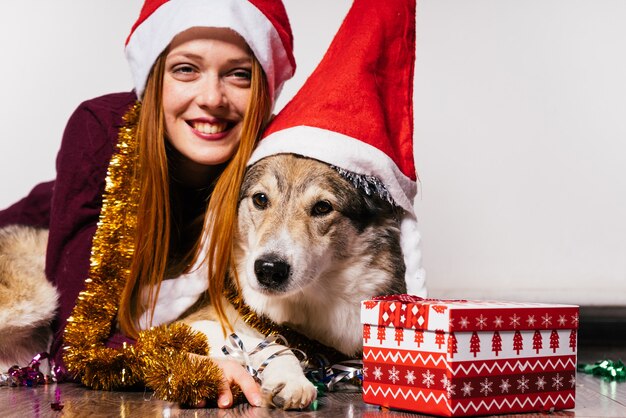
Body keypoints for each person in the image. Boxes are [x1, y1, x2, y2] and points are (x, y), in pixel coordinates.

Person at [0, 0, 295, 408]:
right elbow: (80, 336)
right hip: (17, 259)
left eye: (239, 74)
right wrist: (179, 363)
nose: (212, 97)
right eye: (186, 69)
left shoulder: (278, 160)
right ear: (154, 79)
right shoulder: (101, 129)